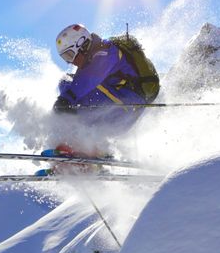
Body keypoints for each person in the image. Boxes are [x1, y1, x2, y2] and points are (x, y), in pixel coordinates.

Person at [43, 23, 160, 158]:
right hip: (114, 112)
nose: (71, 62)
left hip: (128, 107)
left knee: (71, 89)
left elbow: (90, 78)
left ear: (81, 44)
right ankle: (91, 149)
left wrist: (65, 99)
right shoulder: (91, 61)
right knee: (65, 83)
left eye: (70, 55)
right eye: (66, 58)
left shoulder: (107, 51)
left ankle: (85, 145)